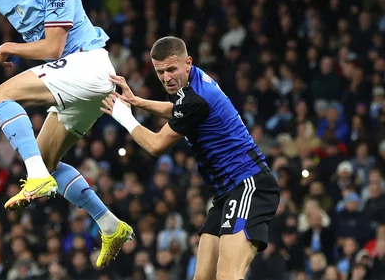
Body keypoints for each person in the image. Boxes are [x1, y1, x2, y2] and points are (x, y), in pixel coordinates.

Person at [0, 0, 133, 267]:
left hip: (88, 64)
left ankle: (35, 177)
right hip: (74, 77)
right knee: (48, 160)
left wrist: (10, 47)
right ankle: (110, 225)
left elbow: (53, 47)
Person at [101, 36, 281, 280]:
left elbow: (156, 146)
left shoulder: (196, 98)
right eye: (160, 71)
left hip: (249, 184)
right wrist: (137, 102)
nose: (166, 78)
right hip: (226, 194)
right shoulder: (193, 81)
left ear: (187, 62)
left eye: (171, 69)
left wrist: (123, 116)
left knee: (228, 276)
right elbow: (179, 108)